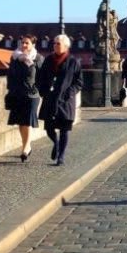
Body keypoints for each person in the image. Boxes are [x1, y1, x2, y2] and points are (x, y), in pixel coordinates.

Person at [37, 34, 83, 166]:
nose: (55, 45)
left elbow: (79, 82)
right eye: (54, 43)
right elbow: (40, 77)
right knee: (49, 128)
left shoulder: (73, 62)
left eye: (58, 43)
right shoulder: (48, 60)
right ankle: (56, 144)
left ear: (66, 46)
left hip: (65, 101)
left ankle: (61, 156)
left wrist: (70, 93)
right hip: (50, 98)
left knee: (64, 129)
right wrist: (43, 91)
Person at [5, 34, 42, 161]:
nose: (24, 45)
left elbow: (43, 77)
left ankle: (25, 148)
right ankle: (26, 146)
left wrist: (37, 89)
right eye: (22, 42)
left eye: (27, 43)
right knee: (21, 122)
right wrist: (10, 90)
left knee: (27, 121)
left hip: (32, 95)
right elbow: (10, 75)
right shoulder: (15, 57)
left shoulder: (38, 58)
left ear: (33, 45)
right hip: (17, 93)